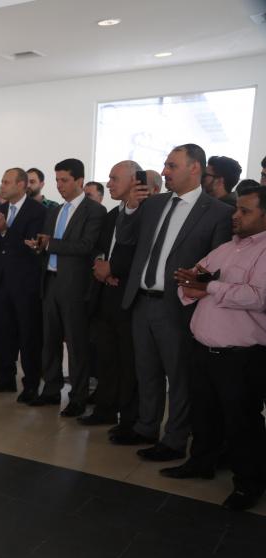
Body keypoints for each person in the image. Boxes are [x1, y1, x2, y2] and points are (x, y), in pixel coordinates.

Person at [117, 143, 233, 460]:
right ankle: (146, 427)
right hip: (141, 301)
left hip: (177, 306)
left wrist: (197, 282)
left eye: (172, 166)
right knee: (147, 371)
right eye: (165, 165)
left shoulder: (217, 213)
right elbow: (126, 239)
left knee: (179, 377)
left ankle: (175, 439)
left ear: (194, 168)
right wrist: (130, 208)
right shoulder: (153, 205)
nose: (164, 171)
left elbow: (218, 264)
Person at [158, 186, 266, 512]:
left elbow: (258, 297)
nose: (236, 215)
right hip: (203, 348)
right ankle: (201, 463)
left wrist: (211, 287)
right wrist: (189, 282)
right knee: (204, 415)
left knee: (242, 422)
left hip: (241, 356)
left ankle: (248, 484)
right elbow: (197, 279)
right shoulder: (224, 249)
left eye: (245, 211)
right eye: (236, 209)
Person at [27, 158, 105, 416]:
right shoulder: (55, 210)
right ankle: (51, 389)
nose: (59, 185)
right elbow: (48, 244)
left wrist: (51, 244)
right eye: (57, 180)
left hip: (74, 285)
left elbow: (86, 246)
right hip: (50, 281)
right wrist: (39, 246)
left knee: (76, 343)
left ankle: (78, 396)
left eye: (65, 180)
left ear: (79, 181)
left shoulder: (94, 211)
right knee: (49, 340)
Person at [80, 160, 143, 433]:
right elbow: (98, 248)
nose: (109, 184)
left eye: (115, 178)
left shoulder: (146, 214)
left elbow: (141, 253)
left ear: (133, 180)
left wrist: (113, 269)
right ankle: (104, 409)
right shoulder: (110, 215)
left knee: (128, 362)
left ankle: (129, 418)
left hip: (129, 297)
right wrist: (100, 266)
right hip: (104, 294)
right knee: (106, 358)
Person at [0, 168, 47, 401]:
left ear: (21, 185)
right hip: (2, 280)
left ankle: (31, 384)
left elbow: (32, 246)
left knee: (28, 335)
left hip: (26, 283)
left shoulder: (37, 211)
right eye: (2, 181)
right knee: (3, 332)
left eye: (7, 182)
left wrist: (5, 230)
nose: (2, 186)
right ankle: (4, 377)